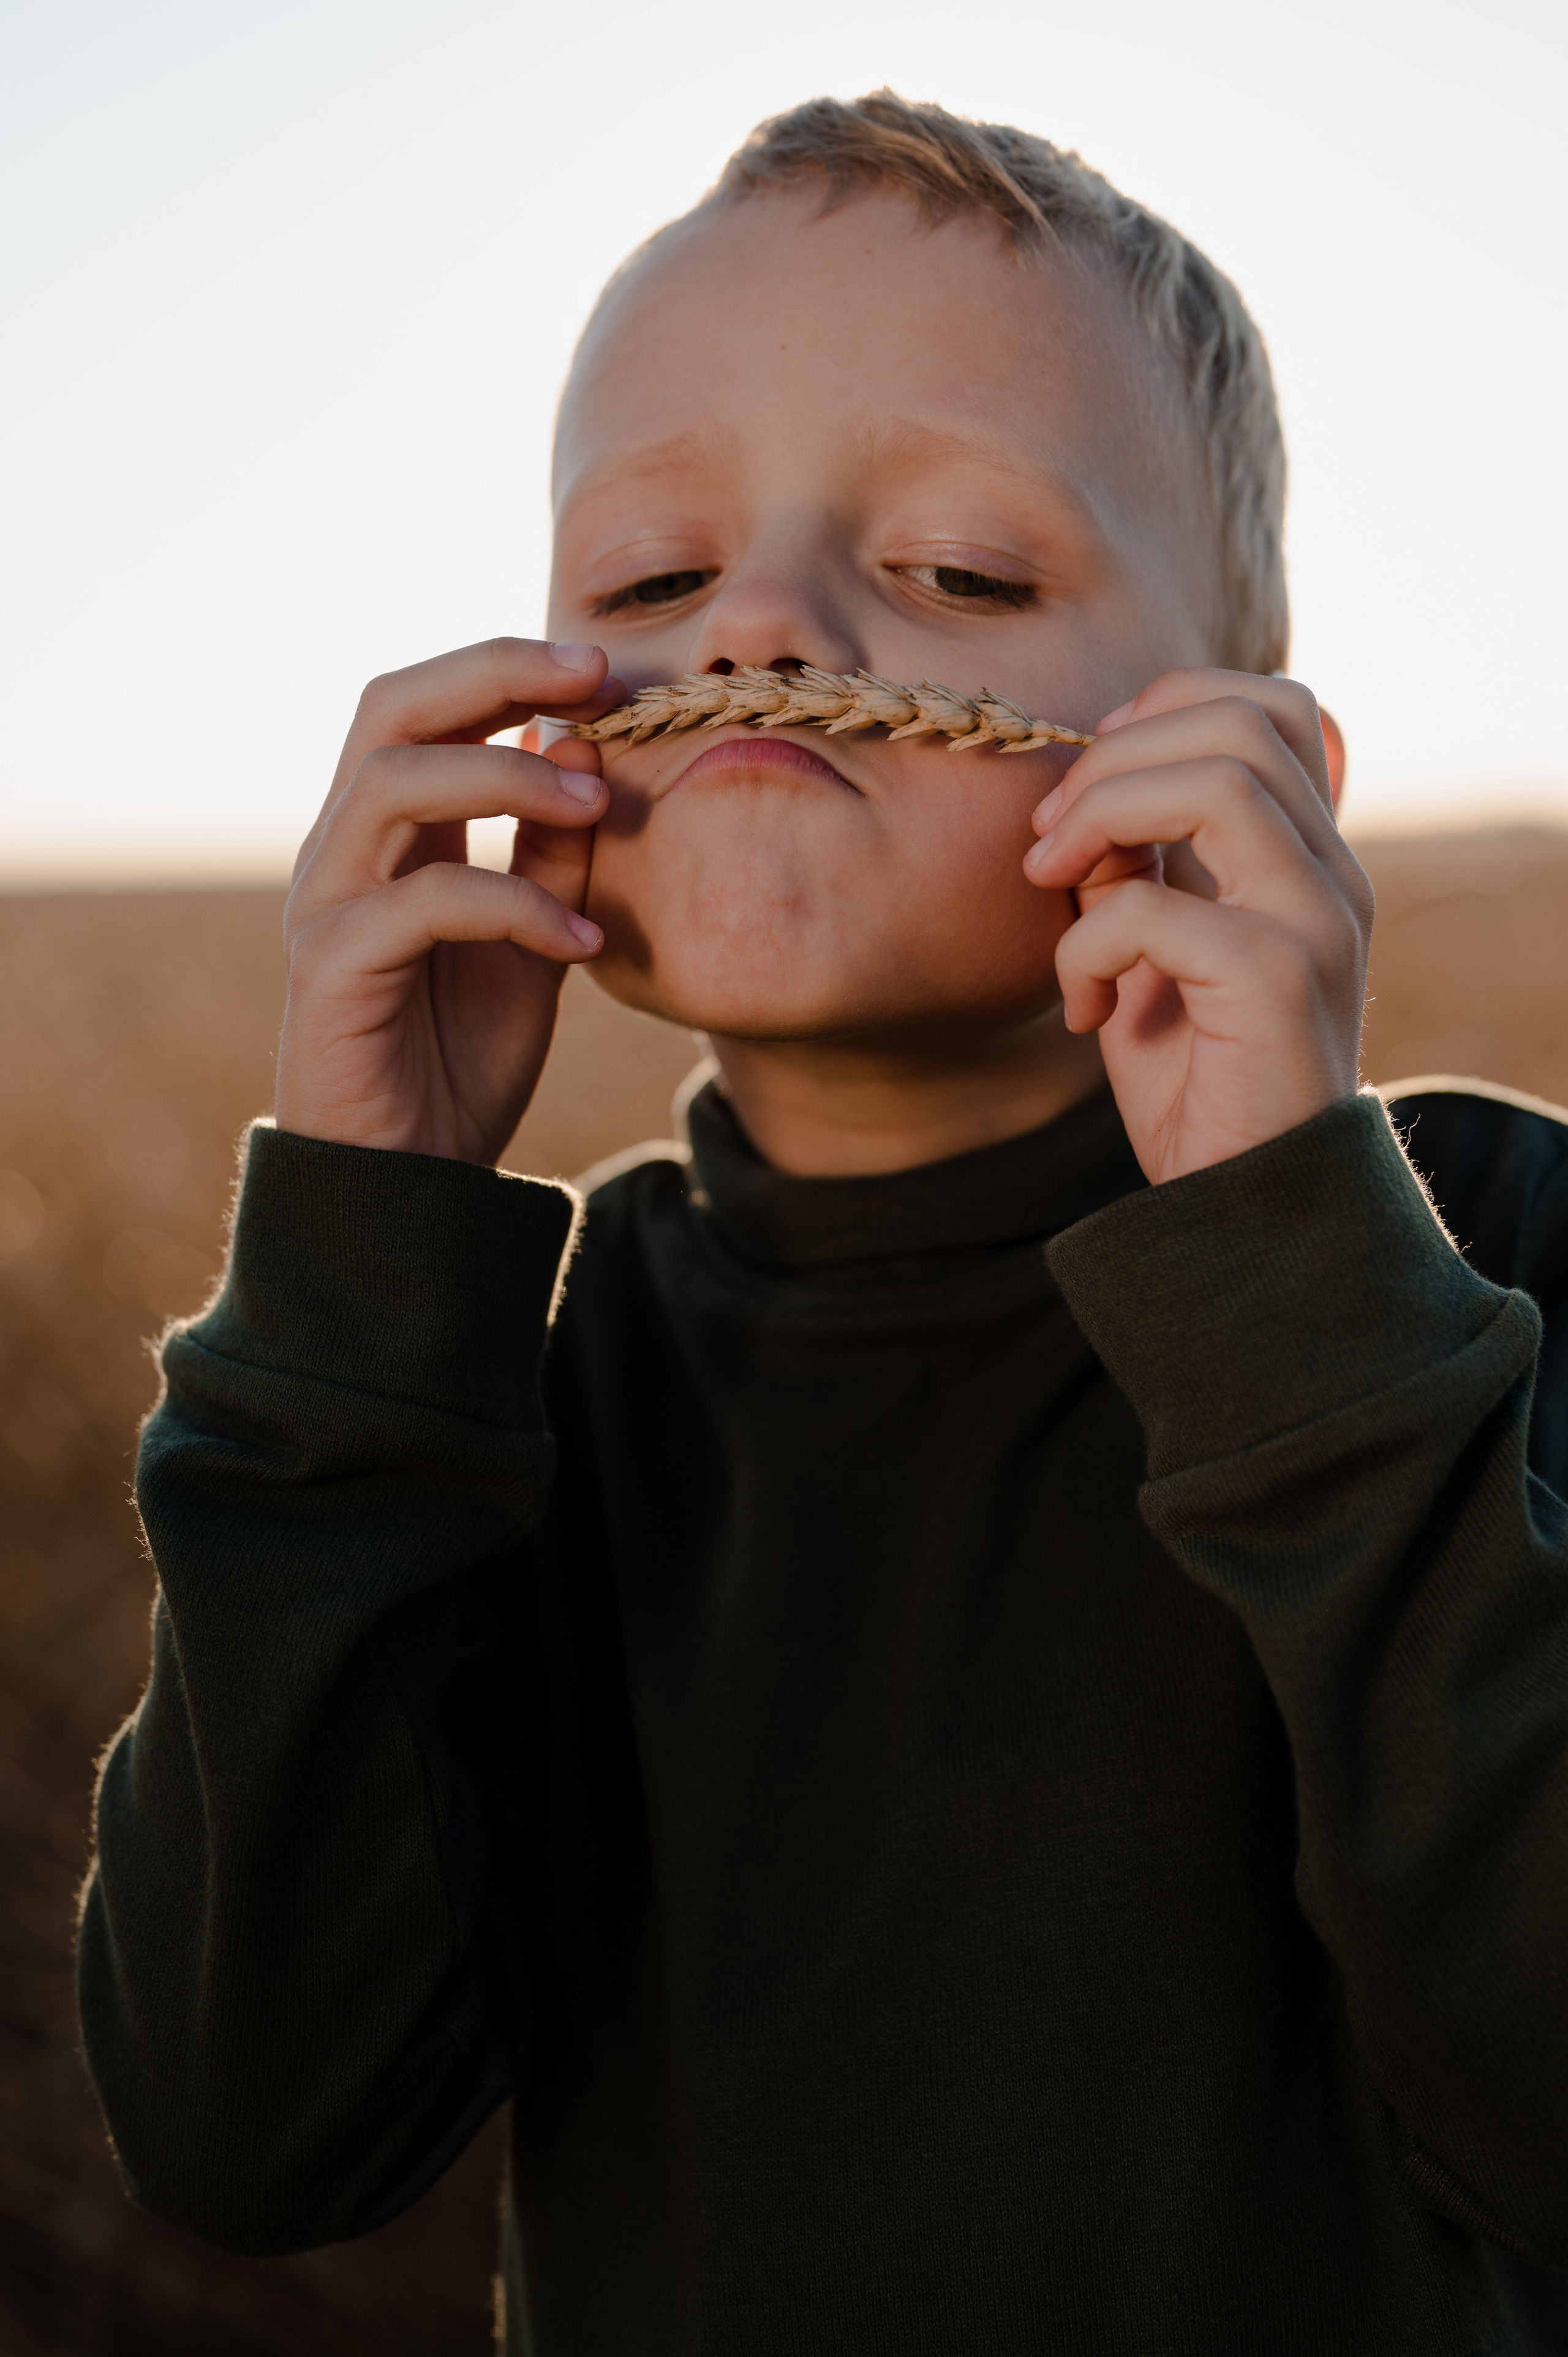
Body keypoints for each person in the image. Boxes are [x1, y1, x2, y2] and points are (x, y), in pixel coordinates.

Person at [78, 91, 1568, 2353]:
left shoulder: (1478, 1250)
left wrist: (1302, 1281)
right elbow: (259, 2132)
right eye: (651, 582)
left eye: (964, 572)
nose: (761, 629)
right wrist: (359, 1260)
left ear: (1246, 757)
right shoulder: (518, 1381)